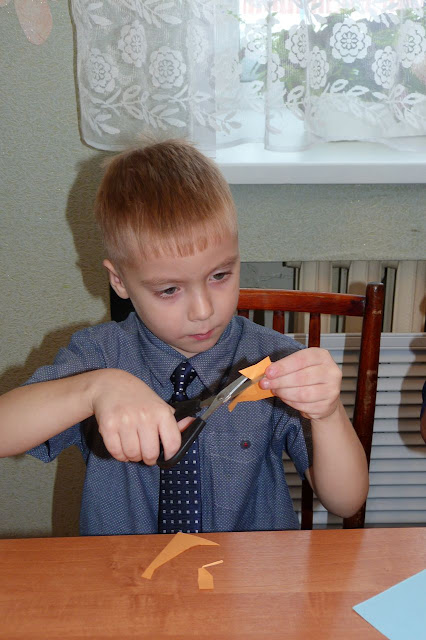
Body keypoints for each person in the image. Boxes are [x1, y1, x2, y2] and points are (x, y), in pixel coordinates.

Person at [0, 139, 368, 536]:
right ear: (119, 281)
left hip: (249, 571)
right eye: (169, 290)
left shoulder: (273, 360)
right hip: (123, 570)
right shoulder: (99, 356)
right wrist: (94, 390)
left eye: (220, 276)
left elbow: (347, 501)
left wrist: (328, 414)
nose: (203, 310)